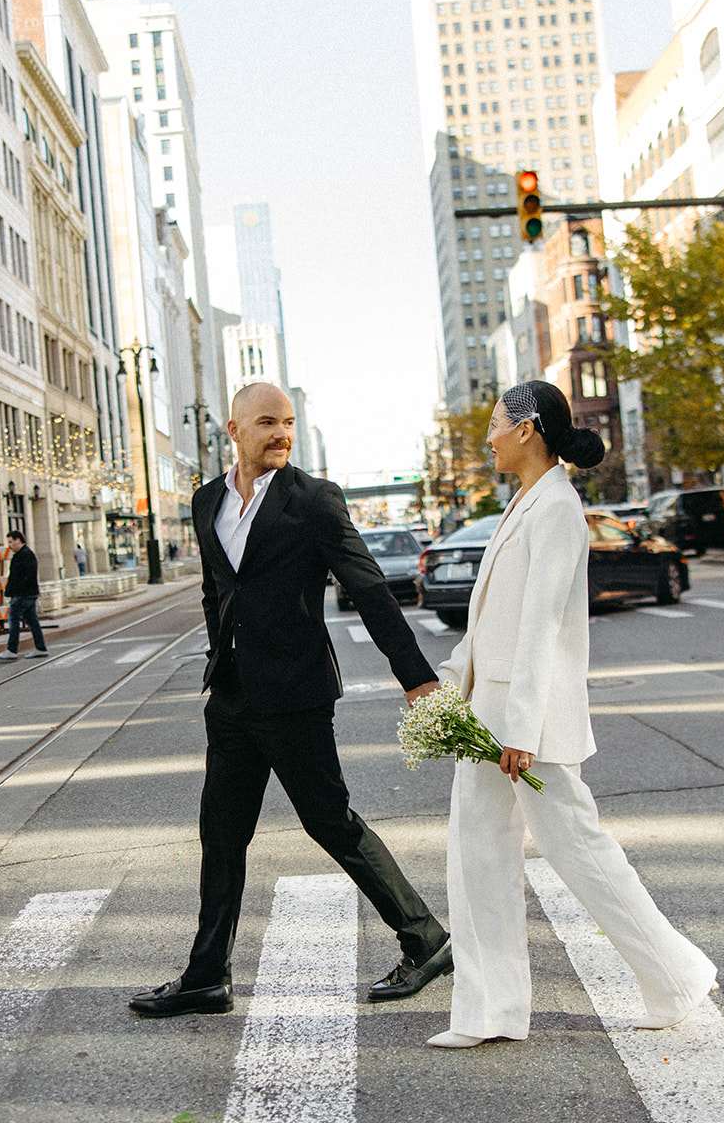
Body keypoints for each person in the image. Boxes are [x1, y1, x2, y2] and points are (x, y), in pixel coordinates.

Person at [128, 382, 452, 1019]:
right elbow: (217, 591)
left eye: (289, 423)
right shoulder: (207, 502)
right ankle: (205, 976)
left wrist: (416, 678)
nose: (281, 434)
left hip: (295, 694)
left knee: (329, 820)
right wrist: (219, 658)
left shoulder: (314, 500)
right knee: (221, 833)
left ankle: (426, 939)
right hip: (231, 697)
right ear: (234, 429)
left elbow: (369, 589)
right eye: (268, 423)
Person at [427, 380, 718, 1050]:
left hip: (524, 723)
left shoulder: (556, 507)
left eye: (496, 423)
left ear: (526, 428)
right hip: (489, 711)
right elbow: (494, 617)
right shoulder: (526, 501)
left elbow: (541, 630)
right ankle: (490, 1011)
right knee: (476, 856)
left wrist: (521, 731)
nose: (489, 436)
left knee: (579, 852)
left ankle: (674, 977)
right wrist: (449, 685)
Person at [0, 530, 46, 659]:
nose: (9, 545)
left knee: (13, 620)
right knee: (32, 621)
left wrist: (12, 591)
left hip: (21, 594)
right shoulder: (27, 554)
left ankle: (12, 649)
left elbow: (18, 577)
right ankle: (40, 647)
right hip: (29, 593)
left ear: (18, 540)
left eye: (11, 542)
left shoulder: (22, 556)